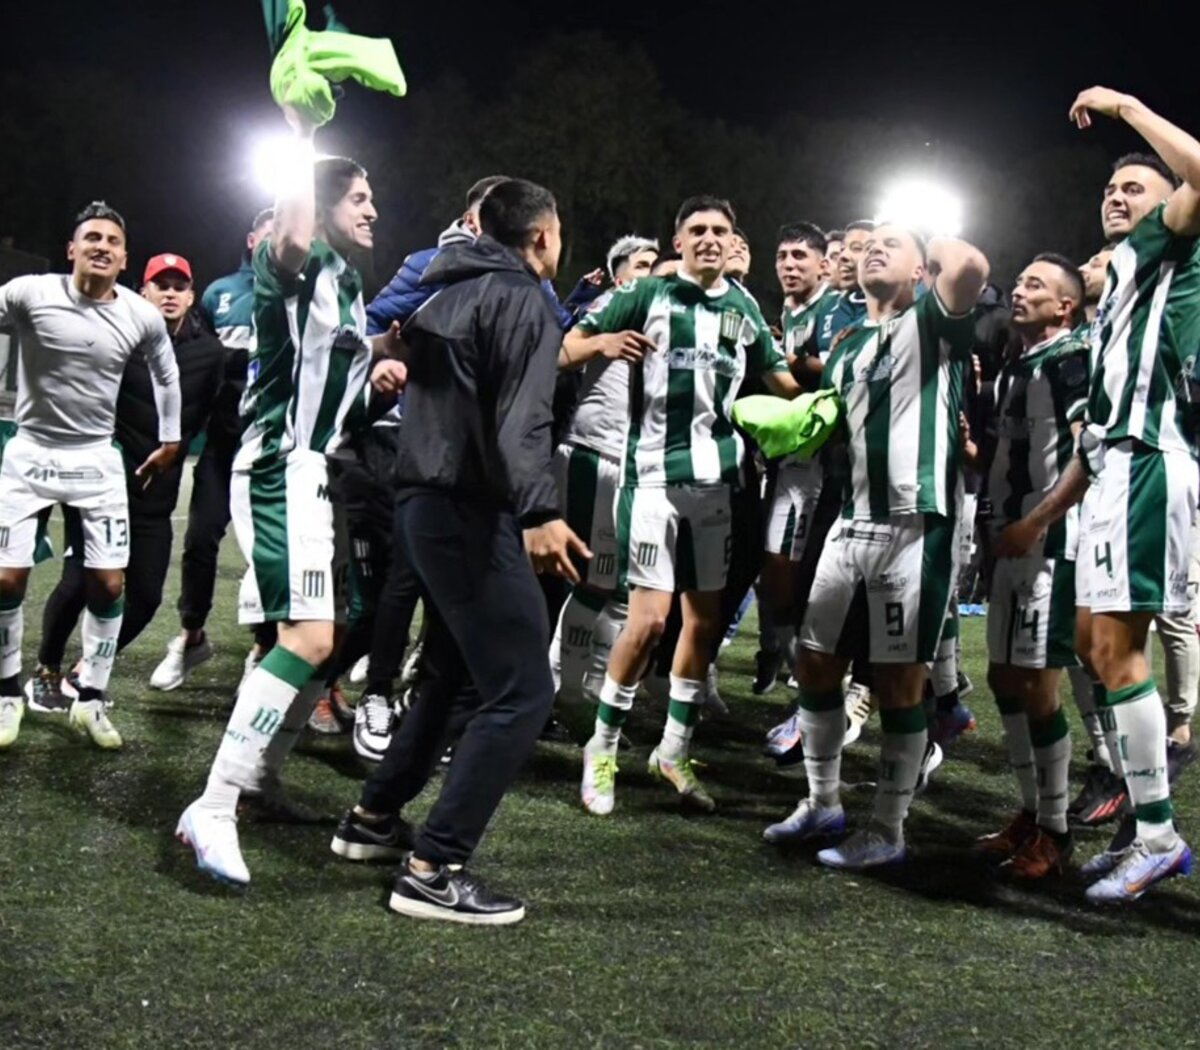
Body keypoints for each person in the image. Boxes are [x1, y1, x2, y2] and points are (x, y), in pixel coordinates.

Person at [330, 178, 586, 925]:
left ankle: (374, 820)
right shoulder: (523, 300)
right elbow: (522, 420)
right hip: (468, 509)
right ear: (542, 236)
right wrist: (539, 509)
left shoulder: (444, 293)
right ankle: (433, 867)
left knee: (451, 675)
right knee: (522, 691)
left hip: (421, 500)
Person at [176, 105, 402, 886]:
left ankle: (261, 778)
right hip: (279, 467)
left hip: (318, 475)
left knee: (322, 641)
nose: (373, 210)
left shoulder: (345, 282)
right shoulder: (294, 262)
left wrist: (382, 356)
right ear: (320, 203)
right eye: (359, 198)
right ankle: (212, 805)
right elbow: (293, 239)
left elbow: (333, 363)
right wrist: (302, 138)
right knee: (307, 640)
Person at [998, 87, 1200, 902]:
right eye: (1111, 190)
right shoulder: (1119, 291)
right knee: (1092, 646)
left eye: (1136, 190)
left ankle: (1156, 835)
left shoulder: (1175, 247)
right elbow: (1093, 430)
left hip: (1152, 460)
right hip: (1113, 469)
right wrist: (1045, 515)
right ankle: (1144, 823)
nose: (1118, 198)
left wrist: (1126, 108)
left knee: (1118, 654)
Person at [562, 196, 802, 816]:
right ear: (679, 242)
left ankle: (672, 750)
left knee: (702, 622)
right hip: (649, 481)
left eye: (721, 229)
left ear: (732, 240)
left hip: (718, 485)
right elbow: (567, 348)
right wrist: (606, 341)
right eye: (697, 230)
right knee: (647, 622)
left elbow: (783, 384)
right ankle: (603, 747)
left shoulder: (745, 308)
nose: (710, 239)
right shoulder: (647, 295)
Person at [764, 223, 988, 865]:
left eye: (893, 246)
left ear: (923, 272)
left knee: (897, 680)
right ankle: (823, 802)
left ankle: (887, 832)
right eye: (867, 246)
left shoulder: (936, 324)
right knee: (813, 663)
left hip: (913, 523)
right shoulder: (846, 344)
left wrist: (925, 227)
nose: (873, 251)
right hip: (851, 520)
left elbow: (969, 261)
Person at [0, 201, 182, 750]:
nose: (102, 246)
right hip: (29, 453)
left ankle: (92, 701)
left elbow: (166, 376)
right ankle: (8, 695)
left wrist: (171, 441)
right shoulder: (30, 293)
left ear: (125, 258)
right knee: (7, 579)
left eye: (112, 241)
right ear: (72, 249)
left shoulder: (140, 315)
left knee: (108, 584)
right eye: (92, 238)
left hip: (96, 460)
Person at [30, 253, 224, 710]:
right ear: (145, 293)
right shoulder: (116, 340)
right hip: (100, 487)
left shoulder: (209, 353)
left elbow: (212, 410)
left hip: (157, 499)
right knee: (80, 582)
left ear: (192, 296)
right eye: (162, 285)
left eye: (180, 285)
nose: (171, 293)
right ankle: (45, 672)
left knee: (148, 596)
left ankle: (86, 672)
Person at [972, 253, 1088, 879]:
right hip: (1011, 541)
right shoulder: (1017, 361)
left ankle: (1057, 831)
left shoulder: (1072, 359)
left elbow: (1086, 454)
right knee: (1001, 678)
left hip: (1049, 545)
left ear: (1065, 306)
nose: (1019, 291)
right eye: (1019, 282)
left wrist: (1036, 521)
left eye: (1035, 286)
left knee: (1040, 688)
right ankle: (1030, 810)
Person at [150, 210, 276, 692]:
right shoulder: (221, 293)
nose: (274, 242)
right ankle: (191, 635)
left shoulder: (302, 292)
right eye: (267, 233)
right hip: (224, 448)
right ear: (250, 239)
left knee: (264, 554)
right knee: (201, 540)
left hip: (272, 452)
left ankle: (263, 647)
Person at [550, 235, 659, 724]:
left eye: (658, 263)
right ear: (620, 277)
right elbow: (557, 352)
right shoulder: (610, 305)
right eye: (643, 265)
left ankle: (589, 686)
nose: (653, 271)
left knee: (618, 587)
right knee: (583, 580)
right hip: (595, 454)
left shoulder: (669, 317)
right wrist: (602, 343)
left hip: (640, 465)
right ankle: (558, 686)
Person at [755, 222, 839, 695]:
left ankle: (813, 681)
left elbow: (846, 366)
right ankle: (786, 657)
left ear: (823, 264)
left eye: (799, 257)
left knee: (786, 570)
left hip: (823, 464)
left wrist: (793, 362)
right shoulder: (792, 312)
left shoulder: (833, 307)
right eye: (783, 256)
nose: (789, 265)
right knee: (777, 571)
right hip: (792, 460)